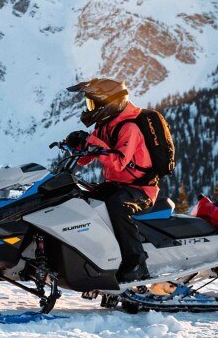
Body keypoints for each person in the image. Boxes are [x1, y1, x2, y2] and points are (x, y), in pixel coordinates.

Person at [64, 78, 156, 283]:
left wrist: (91, 142)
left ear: (109, 104)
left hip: (140, 190)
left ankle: (136, 263)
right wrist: (75, 145)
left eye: (93, 104)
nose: (90, 109)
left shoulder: (129, 127)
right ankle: (99, 258)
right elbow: (88, 157)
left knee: (117, 205)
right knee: (83, 200)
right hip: (116, 185)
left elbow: (118, 162)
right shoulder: (105, 125)